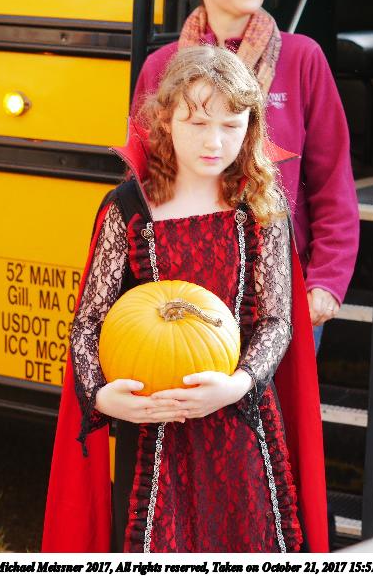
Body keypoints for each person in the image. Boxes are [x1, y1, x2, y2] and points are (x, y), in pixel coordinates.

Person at [43, 46, 327, 552]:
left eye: (231, 125)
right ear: (165, 120)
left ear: (251, 127)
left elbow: (277, 321)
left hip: (240, 424)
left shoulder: (261, 206)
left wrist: (236, 385)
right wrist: (102, 397)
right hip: (153, 427)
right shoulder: (128, 208)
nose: (214, 142)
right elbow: (89, 323)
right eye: (197, 123)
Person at [131, 0, 359, 347]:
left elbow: (332, 179)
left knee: (274, 395)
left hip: (280, 287)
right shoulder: (161, 67)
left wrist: (327, 279)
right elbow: (142, 178)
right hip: (180, 286)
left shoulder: (302, 58)